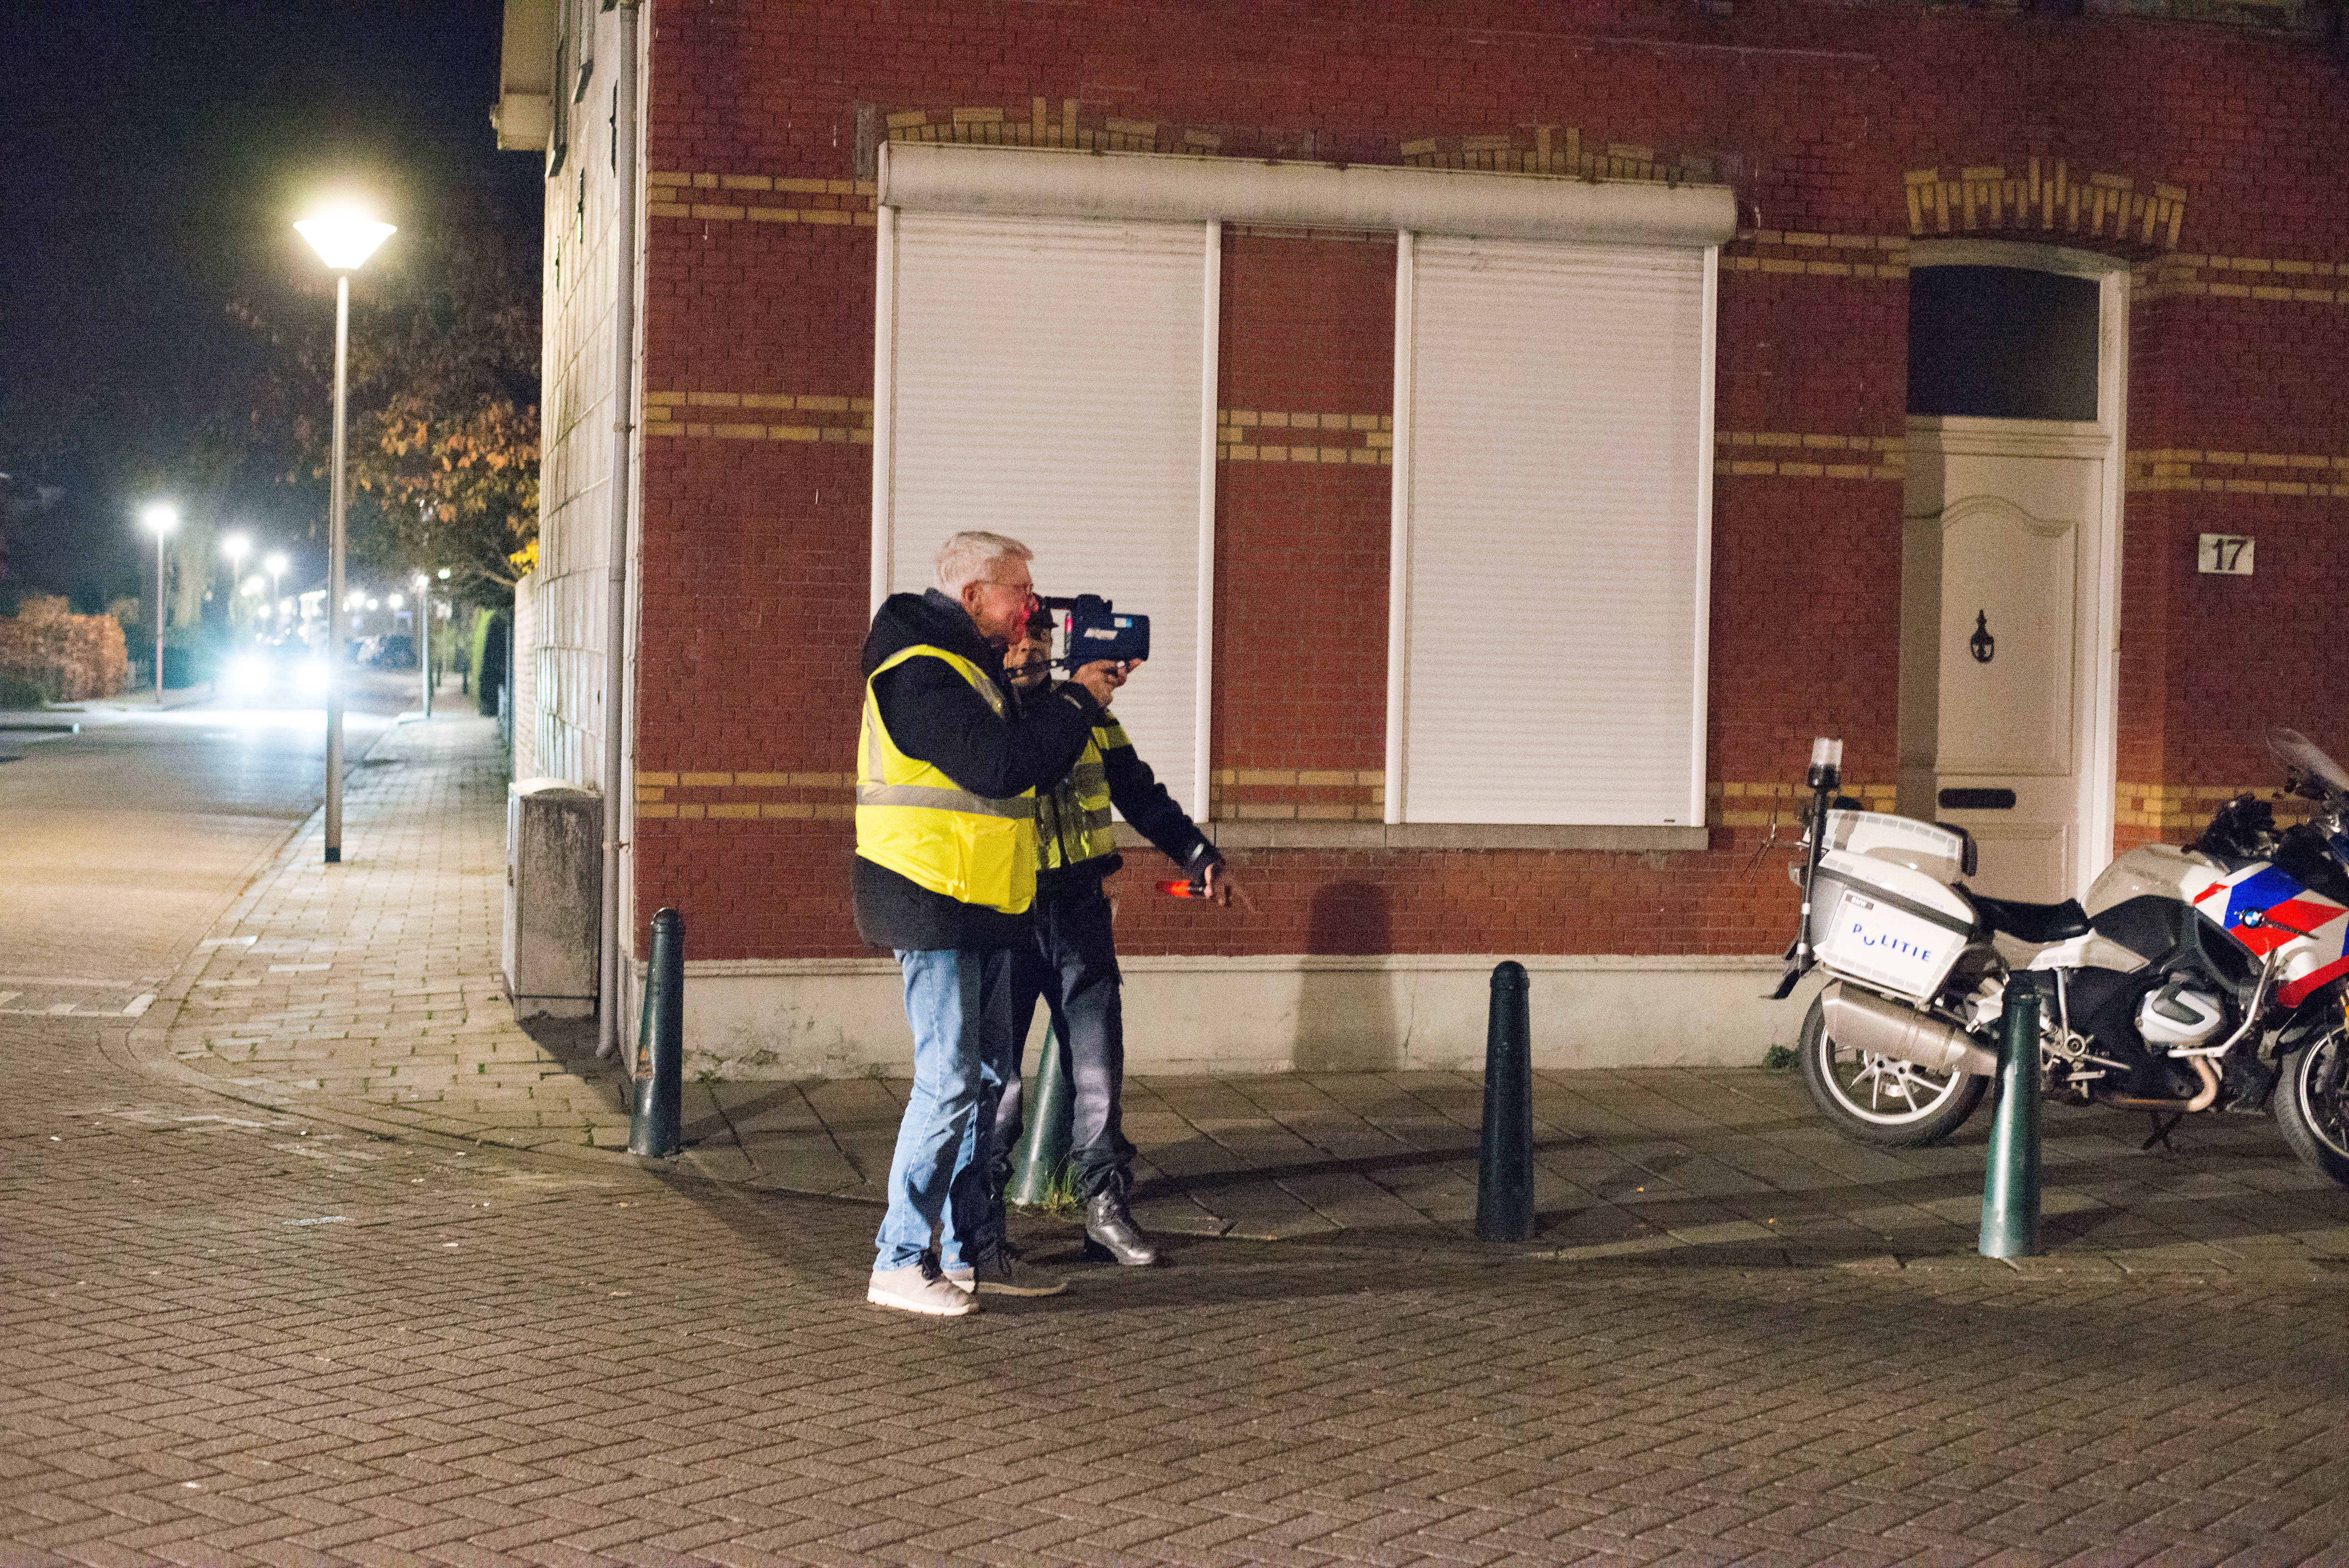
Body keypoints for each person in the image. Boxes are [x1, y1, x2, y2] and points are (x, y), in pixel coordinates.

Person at [854, 531, 1130, 1317]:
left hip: (974, 901)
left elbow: (1023, 756)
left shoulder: (968, 666)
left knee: (978, 1081)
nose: (1029, 606)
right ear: (973, 594)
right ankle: (899, 1257)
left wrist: (1079, 694)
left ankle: (966, 1254)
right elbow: (1002, 765)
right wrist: (1077, 697)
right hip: (931, 899)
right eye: (1018, 590)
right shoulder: (918, 670)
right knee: (946, 1082)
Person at [992, 609, 1233, 1268]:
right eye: (1016, 642)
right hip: (1006, 914)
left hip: (1081, 911)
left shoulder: (1094, 716)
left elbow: (1139, 792)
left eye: (1039, 640)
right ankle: (982, 1220)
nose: (1027, 654)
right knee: (997, 1079)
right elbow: (1019, 774)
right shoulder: (985, 714)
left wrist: (1196, 853)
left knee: (1098, 1068)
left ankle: (1103, 1202)